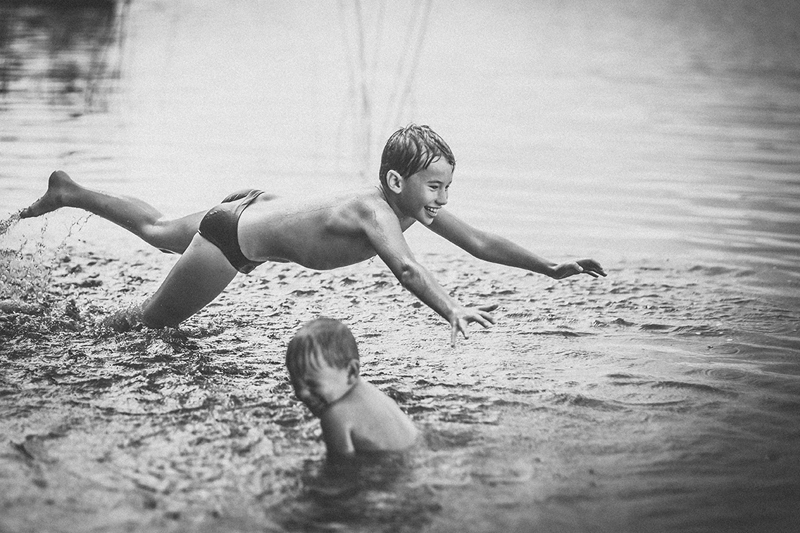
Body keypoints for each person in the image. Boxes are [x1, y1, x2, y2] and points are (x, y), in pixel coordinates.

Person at [19, 124, 606, 345]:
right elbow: (406, 269)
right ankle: (62, 334)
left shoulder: (412, 208)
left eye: (448, 188)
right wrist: (450, 308)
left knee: (155, 228)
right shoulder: (378, 214)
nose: (443, 201)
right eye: (434, 187)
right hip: (234, 239)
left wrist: (549, 267)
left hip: (256, 204)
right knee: (147, 324)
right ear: (396, 181)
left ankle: (69, 192)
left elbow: (480, 243)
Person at [286, 317, 419, 457]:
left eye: (312, 384)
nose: (301, 393)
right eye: (295, 384)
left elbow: (339, 467)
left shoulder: (335, 416)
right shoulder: (375, 395)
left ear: (351, 372)